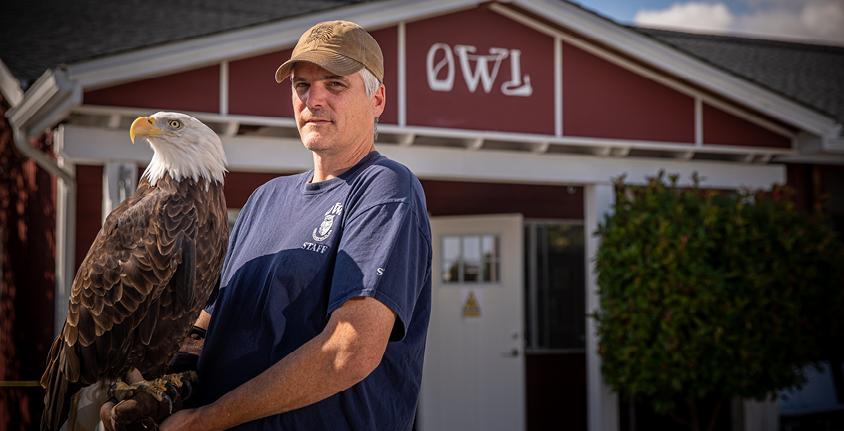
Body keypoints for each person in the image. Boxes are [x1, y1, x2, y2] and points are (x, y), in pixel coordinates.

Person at [159, 20, 432, 431]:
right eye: (302, 85)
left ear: (377, 99)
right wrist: (155, 391)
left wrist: (206, 419)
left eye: (335, 85)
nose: (313, 100)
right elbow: (208, 324)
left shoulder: (385, 189)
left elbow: (348, 351)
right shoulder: (264, 199)